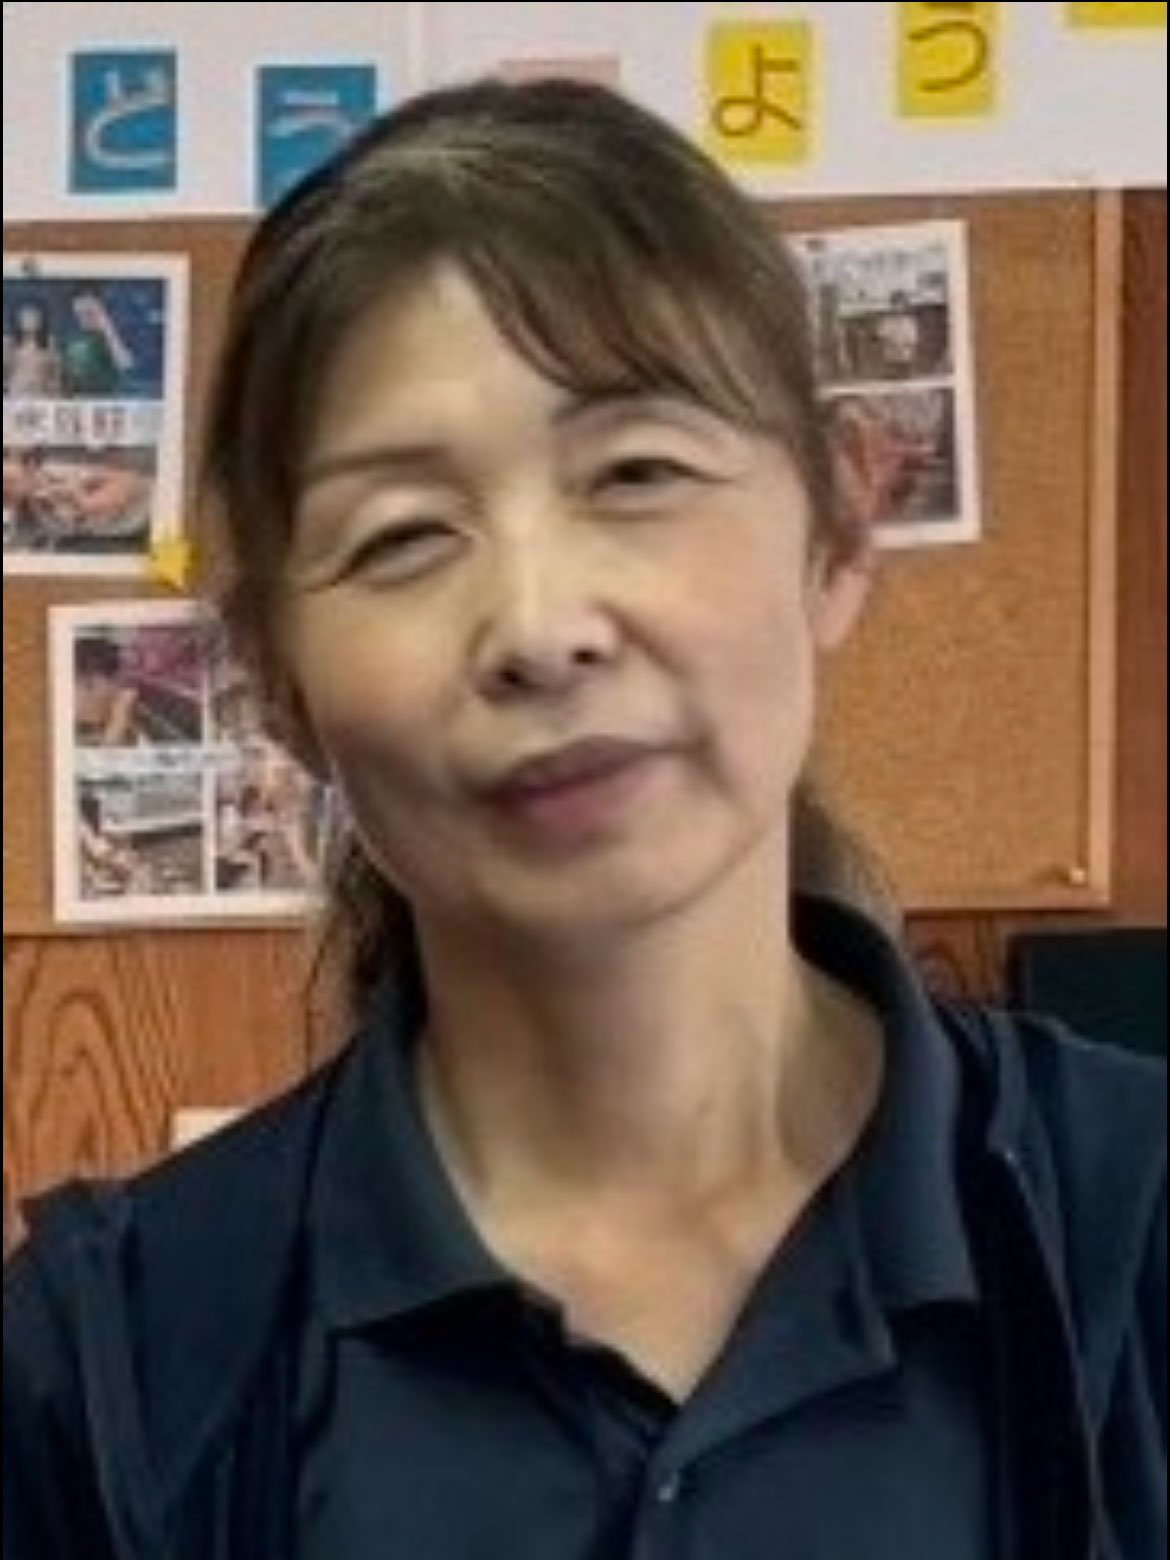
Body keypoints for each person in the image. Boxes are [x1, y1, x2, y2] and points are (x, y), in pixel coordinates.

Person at [3, 78, 1163, 1560]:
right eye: (402, 537)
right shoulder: (107, 1366)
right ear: (276, 683)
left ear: (836, 534)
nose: (541, 629)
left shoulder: (1130, 1229)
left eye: (636, 473)